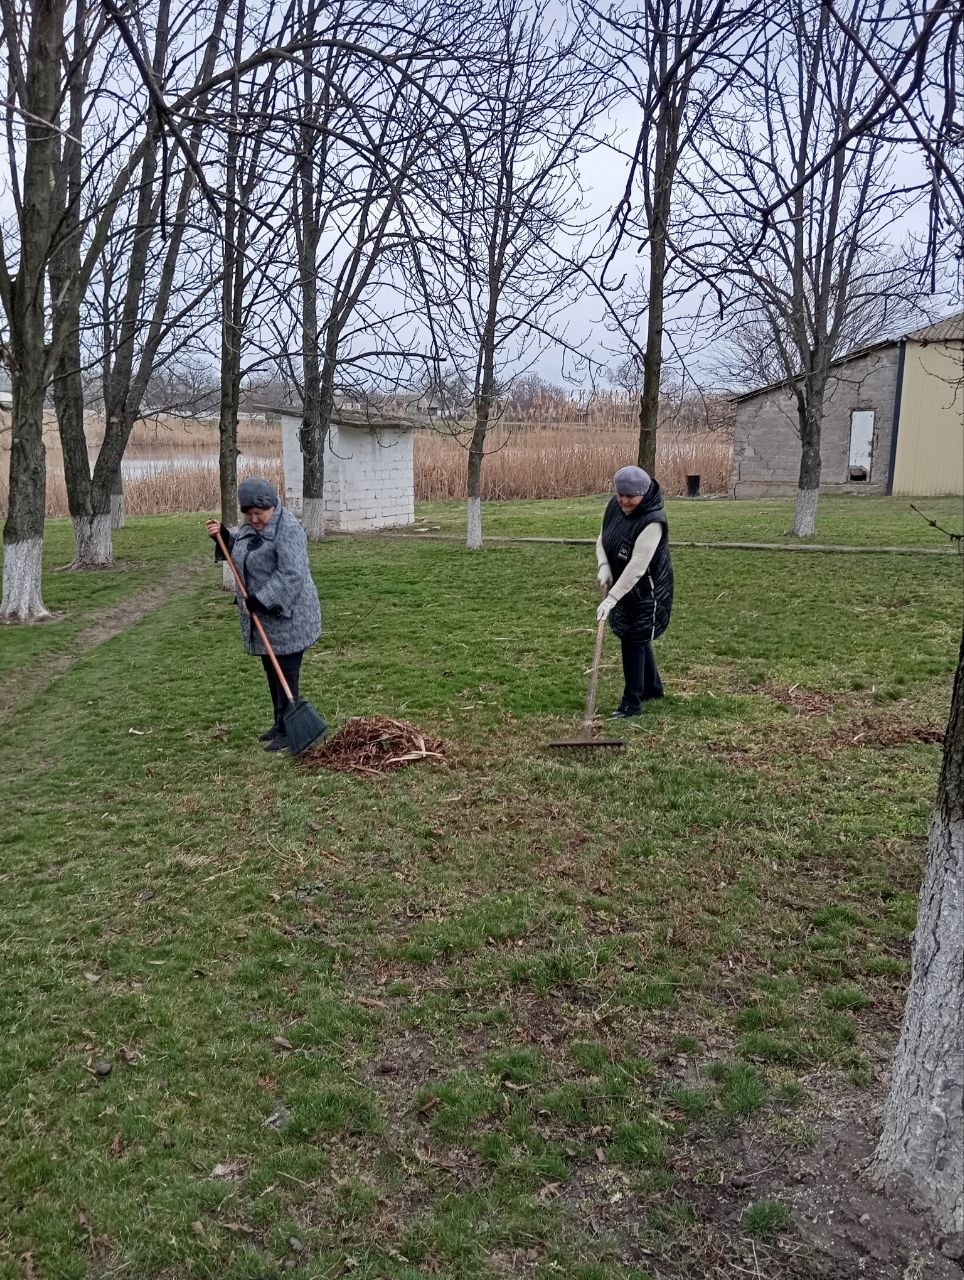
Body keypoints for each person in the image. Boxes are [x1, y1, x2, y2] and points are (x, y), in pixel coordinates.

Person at [206, 478, 322, 751]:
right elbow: (245, 548)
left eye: (260, 513)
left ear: (273, 506)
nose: (254, 519)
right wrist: (225, 537)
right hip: (264, 619)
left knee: (286, 674)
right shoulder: (250, 525)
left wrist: (261, 600)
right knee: (272, 670)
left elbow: (292, 574)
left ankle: (288, 730)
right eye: (249, 514)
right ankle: (279, 722)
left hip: (290, 617)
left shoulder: (288, 529)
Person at [594, 465, 674, 717]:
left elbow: (637, 567)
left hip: (648, 589)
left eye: (631, 497)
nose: (624, 501)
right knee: (636, 637)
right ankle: (652, 688)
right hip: (623, 582)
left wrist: (612, 599)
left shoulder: (653, 521)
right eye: (621, 495)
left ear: (643, 494)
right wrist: (604, 566)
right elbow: (603, 538)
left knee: (634, 640)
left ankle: (632, 703)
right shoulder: (614, 507)